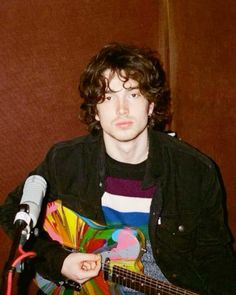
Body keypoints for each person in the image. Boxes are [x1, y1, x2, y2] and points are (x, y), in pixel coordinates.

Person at [0, 42, 236, 295]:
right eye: (108, 97)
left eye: (133, 94)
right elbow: (13, 212)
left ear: (151, 105)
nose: (122, 109)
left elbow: (215, 256)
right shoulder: (65, 161)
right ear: (96, 111)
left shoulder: (195, 171)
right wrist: (60, 261)